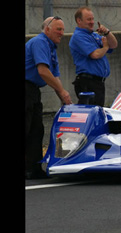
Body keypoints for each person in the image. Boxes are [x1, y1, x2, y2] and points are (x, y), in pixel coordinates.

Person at [25, 16, 73, 179]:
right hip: (26, 88)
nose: (62, 33)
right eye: (58, 29)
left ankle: (32, 168)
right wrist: (62, 91)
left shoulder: (51, 47)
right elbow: (43, 71)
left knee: (36, 130)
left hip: (33, 91)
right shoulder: (40, 42)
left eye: (63, 29)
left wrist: (65, 98)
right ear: (47, 30)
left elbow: (55, 76)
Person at [69, 6, 118, 106]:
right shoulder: (79, 36)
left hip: (98, 83)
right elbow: (95, 54)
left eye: (92, 19)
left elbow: (114, 45)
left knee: (98, 112)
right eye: (88, 19)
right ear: (79, 21)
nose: (92, 22)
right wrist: (105, 47)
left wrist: (107, 33)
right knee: (91, 114)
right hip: (88, 82)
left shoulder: (93, 35)